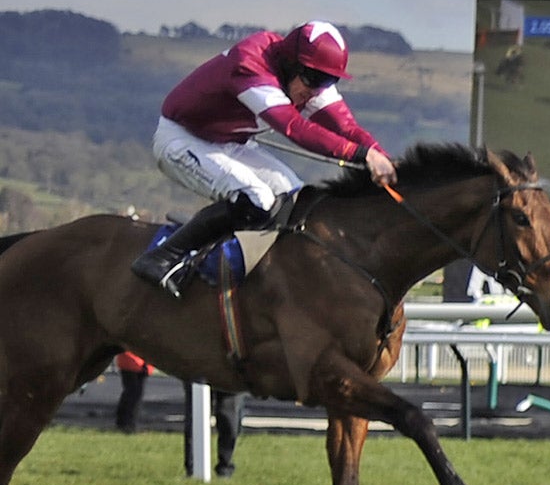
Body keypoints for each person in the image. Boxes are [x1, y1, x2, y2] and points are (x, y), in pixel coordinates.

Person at [131, 21, 396, 296]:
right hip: (181, 139)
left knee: (295, 198)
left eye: (328, 81)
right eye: (314, 79)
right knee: (257, 197)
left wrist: (381, 156)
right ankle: (162, 257)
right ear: (291, 65)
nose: (318, 89)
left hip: (229, 143)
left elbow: (346, 128)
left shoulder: (307, 77)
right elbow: (295, 128)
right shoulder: (250, 64)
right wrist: (361, 155)